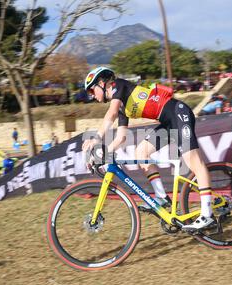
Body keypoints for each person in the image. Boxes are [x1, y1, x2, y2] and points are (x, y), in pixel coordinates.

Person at [82, 67, 215, 231]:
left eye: (92, 90)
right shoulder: (122, 106)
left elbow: (111, 114)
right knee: (141, 152)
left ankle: (208, 214)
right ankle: (161, 197)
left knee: (193, 161)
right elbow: (121, 137)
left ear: (101, 83)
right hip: (168, 123)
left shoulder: (118, 86)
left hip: (178, 113)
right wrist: (102, 154)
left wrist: (95, 138)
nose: (91, 95)